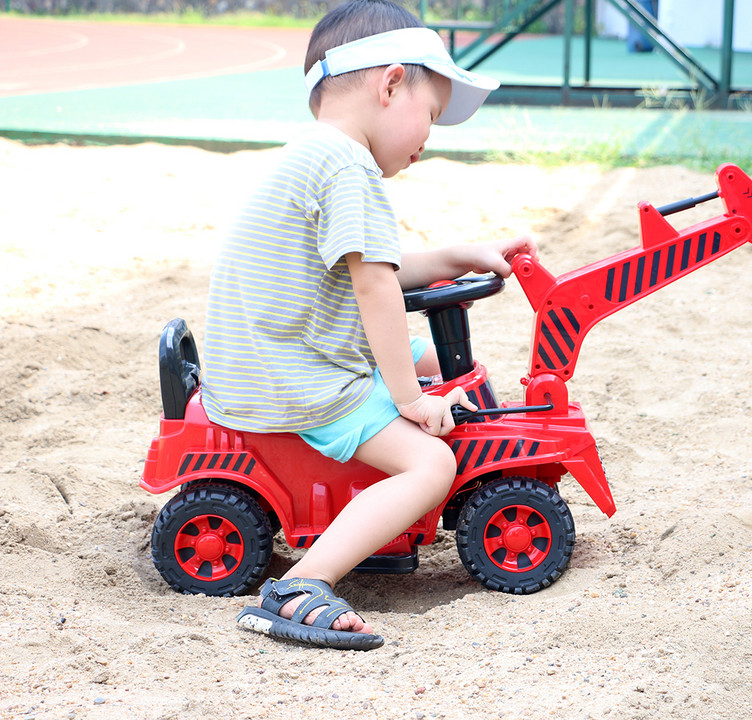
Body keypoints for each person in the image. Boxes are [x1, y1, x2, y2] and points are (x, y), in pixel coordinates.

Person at [207, 0, 535, 650]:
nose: (430, 136)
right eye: (433, 114)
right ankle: (301, 585)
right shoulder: (347, 168)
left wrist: (454, 256)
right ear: (389, 84)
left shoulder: (319, 155)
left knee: (436, 361)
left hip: (286, 351)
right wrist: (409, 402)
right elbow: (373, 283)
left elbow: (375, 267)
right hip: (296, 377)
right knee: (431, 465)